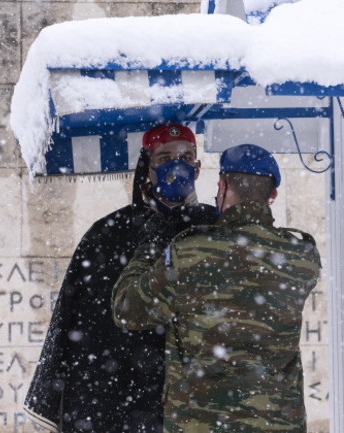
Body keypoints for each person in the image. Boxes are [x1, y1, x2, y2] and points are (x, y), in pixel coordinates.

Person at [112, 144, 321, 432]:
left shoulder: (189, 252)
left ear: (222, 185)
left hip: (201, 422)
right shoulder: (303, 257)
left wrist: (149, 249)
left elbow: (127, 311)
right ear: (272, 196)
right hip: (277, 423)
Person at [24, 123, 217, 433]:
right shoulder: (112, 231)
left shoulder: (215, 227)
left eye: (185, 156)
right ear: (147, 166)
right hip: (123, 396)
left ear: (198, 166)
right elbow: (79, 321)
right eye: (164, 157)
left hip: (197, 401)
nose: (176, 165)